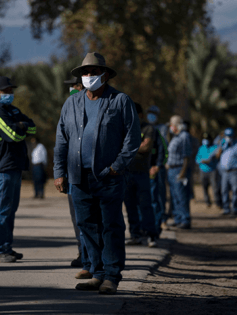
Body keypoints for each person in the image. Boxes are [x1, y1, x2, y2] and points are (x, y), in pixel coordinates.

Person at [53, 52, 141, 294]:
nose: (89, 76)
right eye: (85, 72)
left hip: (108, 176)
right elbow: (62, 139)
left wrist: (117, 166)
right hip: (77, 177)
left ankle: (111, 276)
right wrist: (59, 171)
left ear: (105, 75)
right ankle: (97, 272)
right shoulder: (71, 102)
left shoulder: (120, 101)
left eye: (94, 72)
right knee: (86, 224)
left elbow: (132, 138)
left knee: (110, 225)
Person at [0, 76, 36, 263]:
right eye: (5, 91)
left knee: (9, 209)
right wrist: (21, 126)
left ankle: (5, 246)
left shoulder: (12, 110)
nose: (9, 94)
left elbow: (33, 127)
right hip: (3, 165)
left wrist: (21, 126)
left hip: (14, 166)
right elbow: (13, 134)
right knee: (1, 208)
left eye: (10, 90)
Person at [124, 103, 158, 247]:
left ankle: (151, 235)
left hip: (142, 173)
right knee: (130, 206)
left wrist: (128, 147)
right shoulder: (124, 128)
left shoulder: (148, 128)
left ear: (140, 115)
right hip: (126, 173)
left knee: (145, 205)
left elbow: (146, 146)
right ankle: (135, 234)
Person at [63, 76, 86, 269]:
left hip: (89, 174)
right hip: (72, 174)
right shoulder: (68, 108)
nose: (71, 90)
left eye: (74, 86)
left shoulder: (95, 108)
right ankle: (83, 252)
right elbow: (62, 142)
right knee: (77, 218)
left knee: (89, 217)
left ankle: (92, 255)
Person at [167, 115, 193, 229]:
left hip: (179, 169)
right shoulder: (175, 137)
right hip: (171, 170)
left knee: (182, 195)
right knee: (174, 196)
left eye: (172, 125)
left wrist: (183, 171)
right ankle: (177, 218)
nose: (171, 127)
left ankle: (185, 219)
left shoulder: (184, 136)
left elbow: (186, 156)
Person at [215, 128, 237, 217]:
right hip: (224, 172)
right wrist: (220, 142)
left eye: (230, 136)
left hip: (234, 171)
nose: (228, 138)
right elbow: (216, 149)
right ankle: (226, 209)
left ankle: (234, 209)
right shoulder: (223, 144)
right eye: (227, 136)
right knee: (224, 190)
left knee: (235, 190)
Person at [146, 106, 169, 232]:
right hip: (145, 167)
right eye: (149, 113)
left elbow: (164, 149)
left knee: (159, 195)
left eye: (154, 113)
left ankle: (162, 220)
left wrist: (159, 165)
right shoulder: (143, 127)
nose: (151, 116)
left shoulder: (162, 129)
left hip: (157, 168)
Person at [195, 133, 222, 208]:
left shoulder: (215, 148)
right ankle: (207, 202)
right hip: (203, 171)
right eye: (204, 139)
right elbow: (197, 159)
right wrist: (202, 161)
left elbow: (217, 155)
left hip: (212, 171)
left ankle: (218, 202)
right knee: (204, 187)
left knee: (215, 188)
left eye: (207, 139)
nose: (206, 141)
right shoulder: (201, 148)